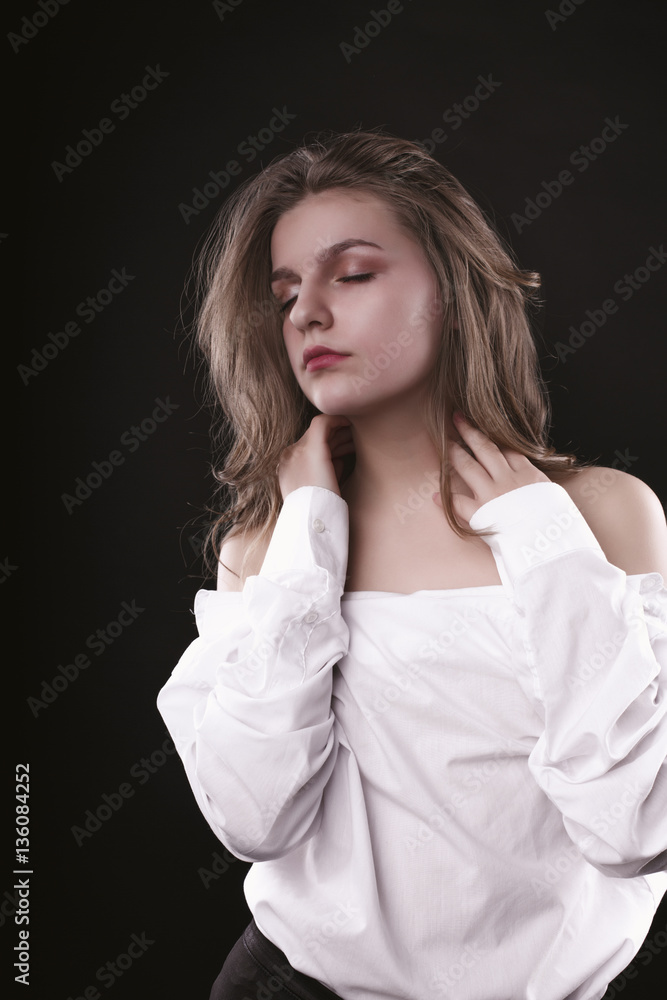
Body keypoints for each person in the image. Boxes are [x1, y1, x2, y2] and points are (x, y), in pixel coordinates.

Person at [157, 129, 667, 1000]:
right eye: (286, 293)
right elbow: (254, 820)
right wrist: (306, 539)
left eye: (352, 274)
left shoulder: (603, 515)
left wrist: (541, 541)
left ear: (454, 291)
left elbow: (636, 826)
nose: (307, 313)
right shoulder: (263, 548)